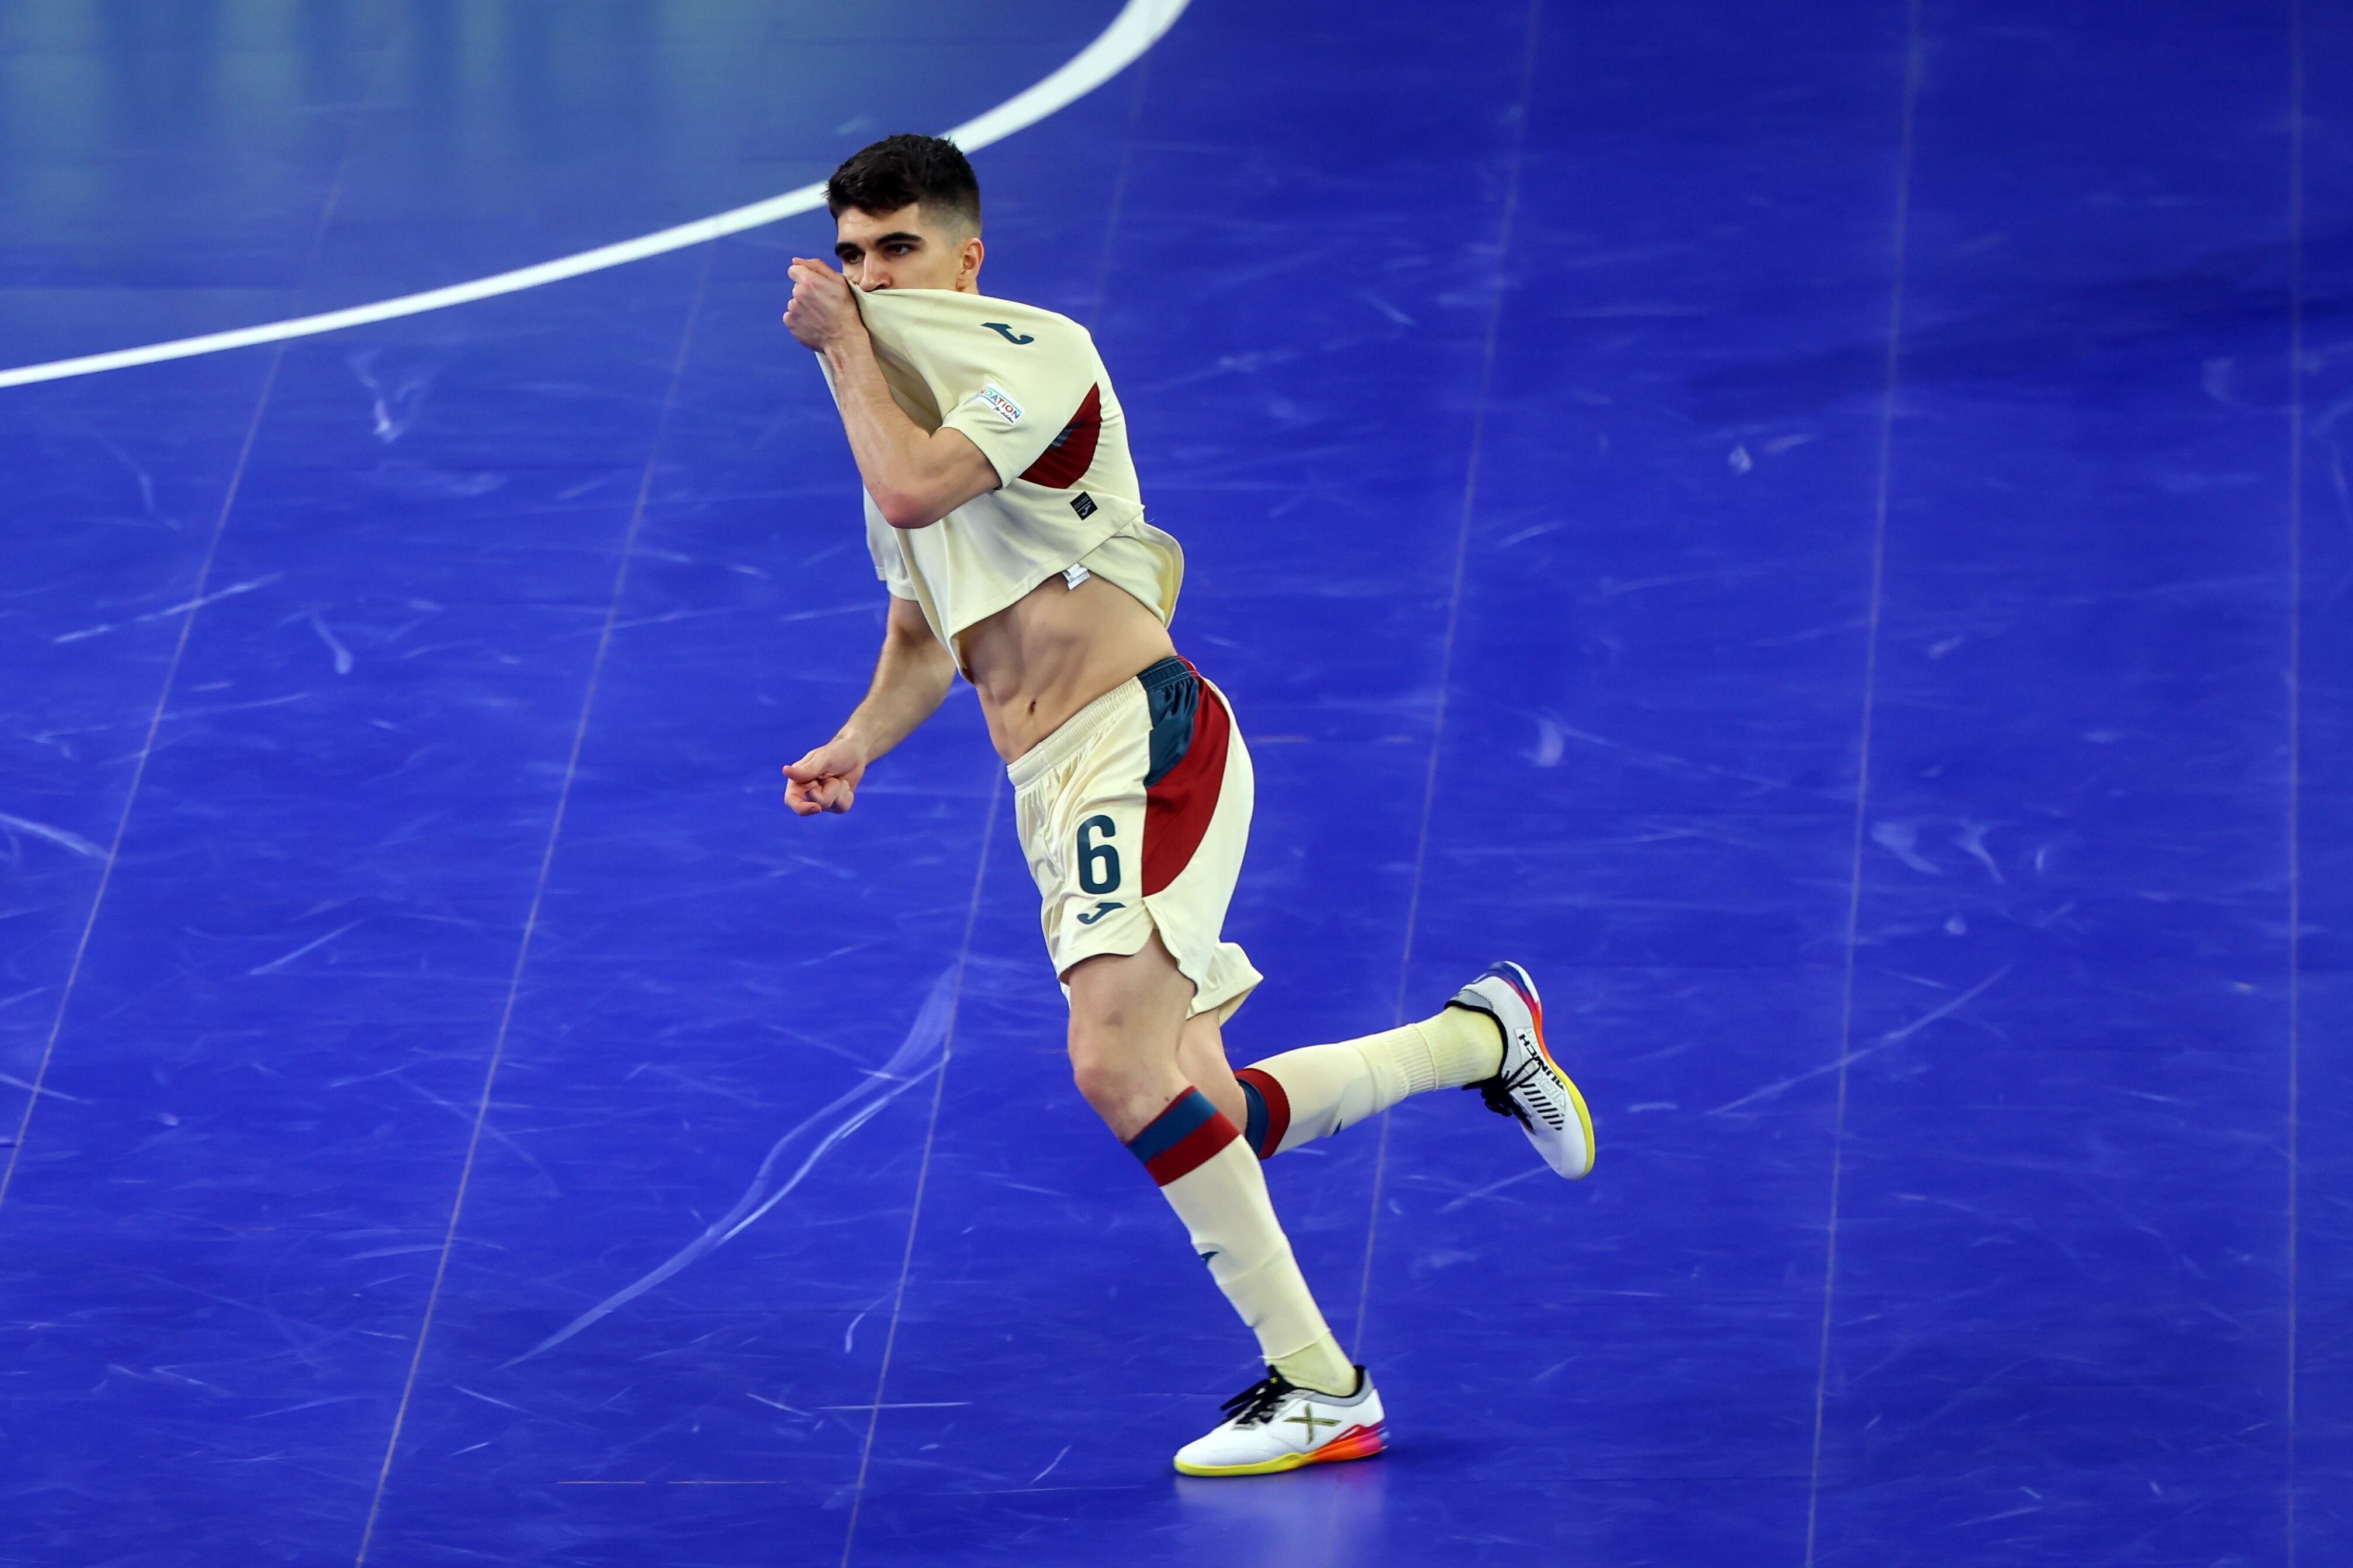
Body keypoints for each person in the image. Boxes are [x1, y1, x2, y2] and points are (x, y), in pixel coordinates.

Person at [779, 134, 1594, 1477]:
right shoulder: (887, 409)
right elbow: (927, 625)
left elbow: (914, 487)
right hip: (1051, 788)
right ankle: (1480, 1038)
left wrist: (841, 352)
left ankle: (1320, 1383)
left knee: (1112, 1064)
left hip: (1138, 739)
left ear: (965, 259)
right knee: (1210, 1102)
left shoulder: (1034, 356)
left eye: (899, 251)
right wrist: (857, 739)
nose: (868, 280)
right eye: (853, 257)